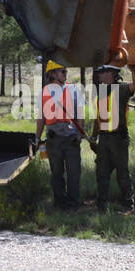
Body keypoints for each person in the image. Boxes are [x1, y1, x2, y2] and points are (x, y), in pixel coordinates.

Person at [34, 60, 91, 209]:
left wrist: (79, 134)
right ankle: (59, 202)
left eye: (66, 71)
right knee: (56, 173)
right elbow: (41, 117)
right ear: (53, 74)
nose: (66, 74)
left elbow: (80, 114)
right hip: (53, 139)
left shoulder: (74, 90)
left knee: (74, 173)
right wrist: (37, 138)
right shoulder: (44, 92)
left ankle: (73, 203)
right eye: (62, 71)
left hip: (71, 138)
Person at [92, 64, 135, 210]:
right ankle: (101, 205)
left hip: (119, 139)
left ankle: (128, 205)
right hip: (103, 139)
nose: (98, 75)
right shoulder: (101, 91)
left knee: (122, 173)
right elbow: (97, 117)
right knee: (101, 173)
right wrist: (94, 137)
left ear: (110, 74)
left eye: (101, 72)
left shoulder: (122, 89)